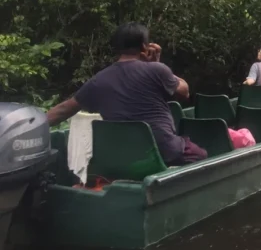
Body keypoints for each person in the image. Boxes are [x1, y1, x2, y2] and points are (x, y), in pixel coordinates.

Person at [46, 23, 207, 166]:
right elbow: (184, 92)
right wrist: (156, 63)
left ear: (117, 48)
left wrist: (33, 125)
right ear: (145, 46)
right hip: (164, 152)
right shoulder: (157, 70)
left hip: (124, 158)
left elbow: (64, 109)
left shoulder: (98, 80)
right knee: (202, 156)